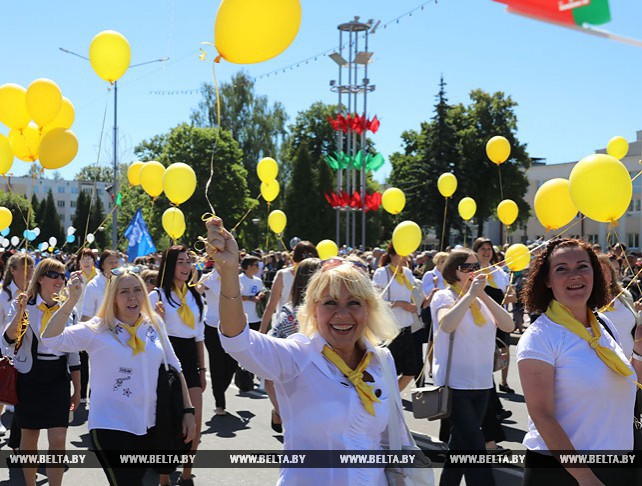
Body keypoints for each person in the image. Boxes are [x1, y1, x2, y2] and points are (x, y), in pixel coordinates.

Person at [205, 216, 424, 485]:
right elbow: (238, 341)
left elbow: (393, 439)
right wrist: (229, 273)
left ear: (369, 309)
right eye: (330, 303)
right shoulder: (298, 356)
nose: (342, 315)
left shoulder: (382, 360)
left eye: (354, 302)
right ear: (313, 310)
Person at [41, 266, 196, 486]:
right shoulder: (97, 329)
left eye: (137, 290)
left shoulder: (154, 324)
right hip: (111, 426)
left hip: (150, 425)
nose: (132, 297)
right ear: (113, 297)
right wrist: (70, 301)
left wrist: (188, 411)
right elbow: (50, 339)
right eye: (124, 291)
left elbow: (174, 365)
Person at [517, 238, 641, 485]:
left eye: (582, 266)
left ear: (594, 274)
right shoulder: (540, 337)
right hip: (564, 472)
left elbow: (629, 380)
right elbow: (541, 415)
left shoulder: (603, 326)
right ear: (547, 281)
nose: (574, 275)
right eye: (562, 269)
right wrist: (586, 478)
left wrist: (638, 349)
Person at [430, 248, 514, 486]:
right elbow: (447, 324)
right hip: (455, 384)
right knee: (476, 448)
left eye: (477, 266)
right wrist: (468, 296)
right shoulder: (443, 297)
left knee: (461, 447)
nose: (475, 271)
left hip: (482, 384)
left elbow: (507, 325)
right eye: (468, 267)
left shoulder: (481, 299)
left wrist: (483, 295)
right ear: (455, 271)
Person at [2, 258, 81, 486]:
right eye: (53, 275)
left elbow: (73, 353)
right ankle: (30, 483)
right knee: (30, 436)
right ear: (41, 278)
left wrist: (77, 388)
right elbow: (7, 341)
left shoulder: (68, 309)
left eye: (62, 275)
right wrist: (19, 312)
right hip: (29, 378)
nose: (59, 280)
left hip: (57, 378)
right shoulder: (25, 305)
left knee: (58, 439)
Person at [150, 246, 205, 486]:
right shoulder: (157, 296)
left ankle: (186, 472)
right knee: (168, 420)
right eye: (180, 262)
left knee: (195, 419)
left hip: (190, 357)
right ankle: (164, 476)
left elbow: (199, 336)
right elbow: (146, 334)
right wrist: (159, 320)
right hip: (165, 359)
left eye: (188, 262)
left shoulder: (196, 296)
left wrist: (202, 370)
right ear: (170, 265)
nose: (186, 267)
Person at [264, 257, 322, 433]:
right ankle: (282, 414)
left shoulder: (329, 309)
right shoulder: (291, 312)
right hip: (297, 376)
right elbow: (274, 339)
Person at [373, 243, 420, 391]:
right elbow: (376, 302)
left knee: (411, 370)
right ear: (392, 255)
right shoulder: (382, 273)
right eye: (401, 253)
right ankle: (387, 400)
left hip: (405, 327)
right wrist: (400, 304)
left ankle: (392, 397)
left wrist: (412, 305)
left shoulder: (407, 273)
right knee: (388, 371)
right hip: (389, 329)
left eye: (406, 254)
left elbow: (410, 295)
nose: (404, 257)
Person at [0, 253, 34, 442]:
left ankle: (18, 439)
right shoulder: (3, 295)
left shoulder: (34, 293)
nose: (28, 272)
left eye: (31, 267)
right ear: (12, 270)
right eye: (23, 267)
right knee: (2, 386)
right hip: (4, 347)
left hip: (25, 350)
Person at [199, 261, 237, 416]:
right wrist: (197, 280)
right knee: (217, 365)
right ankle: (219, 403)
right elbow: (197, 289)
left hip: (230, 326)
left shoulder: (233, 277)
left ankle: (220, 389)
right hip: (212, 327)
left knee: (232, 364)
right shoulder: (208, 278)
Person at [259, 241, 318, 334]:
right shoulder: (320, 275)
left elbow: (271, 305)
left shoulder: (283, 275)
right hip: (309, 328)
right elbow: (271, 305)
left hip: (289, 328)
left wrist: (262, 332)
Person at [598, 253, 640, 357]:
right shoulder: (584, 302)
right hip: (604, 367)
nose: (598, 274)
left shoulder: (625, 295)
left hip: (632, 363)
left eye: (603, 270)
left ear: (612, 277)